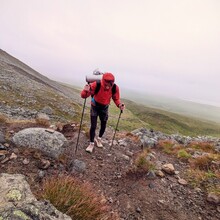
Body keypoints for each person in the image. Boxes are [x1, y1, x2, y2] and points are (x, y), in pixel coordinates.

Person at [81, 72, 125, 153]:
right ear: (103, 82)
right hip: (94, 106)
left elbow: (116, 98)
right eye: (106, 85)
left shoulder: (115, 88)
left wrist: (119, 105)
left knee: (103, 124)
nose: (108, 87)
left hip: (104, 107)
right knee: (93, 126)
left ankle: (99, 139)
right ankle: (91, 144)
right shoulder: (95, 84)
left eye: (110, 85)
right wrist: (85, 90)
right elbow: (83, 96)